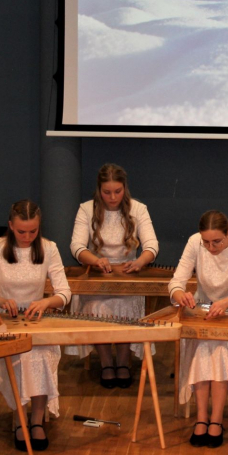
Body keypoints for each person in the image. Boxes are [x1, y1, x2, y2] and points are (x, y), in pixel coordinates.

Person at [0, 200, 70, 452]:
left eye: (33, 231)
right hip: (5, 321)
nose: (27, 237)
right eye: (21, 231)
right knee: (21, 357)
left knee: (41, 355)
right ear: (11, 226)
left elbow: (64, 293)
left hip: (37, 320)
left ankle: (35, 420)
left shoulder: (49, 248)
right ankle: (18, 418)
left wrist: (46, 303)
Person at [168, 210, 228, 448]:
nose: (210, 247)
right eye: (206, 242)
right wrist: (181, 296)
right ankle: (202, 418)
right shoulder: (194, 242)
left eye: (217, 242)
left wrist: (226, 303)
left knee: (220, 351)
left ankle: (216, 419)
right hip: (203, 312)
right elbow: (175, 283)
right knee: (203, 350)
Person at [68, 164, 160, 389]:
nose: (112, 197)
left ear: (124, 188)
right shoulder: (86, 209)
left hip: (128, 278)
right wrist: (95, 260)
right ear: (99, 190)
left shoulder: (137, 209)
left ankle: (122, 363)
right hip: (99, 277)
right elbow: (77, 246)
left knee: (124, 307)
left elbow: (152, 245)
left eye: (117, 191)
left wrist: (140, 261)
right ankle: (106, 362)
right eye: (106, 192)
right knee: (97, 307)